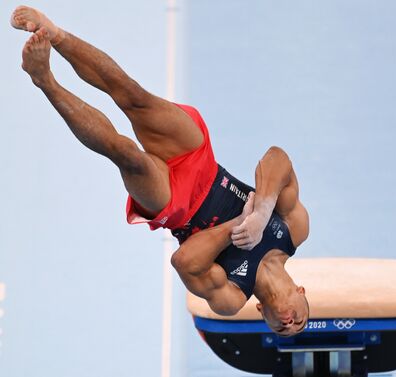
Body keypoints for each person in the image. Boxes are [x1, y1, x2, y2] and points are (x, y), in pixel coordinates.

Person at [11, 6, 310, 336]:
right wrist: (262, 212)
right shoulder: (294, 229)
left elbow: (184, 262)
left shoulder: (233, 297)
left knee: (127, 154)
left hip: (176, 204)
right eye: (300, 319)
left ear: (261, 313)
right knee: (133, 95)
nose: (290, 322)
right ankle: (56, 34)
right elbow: (276, 158)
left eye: (283, 329)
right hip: (202, 165)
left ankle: (45, 80)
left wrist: (240, 225)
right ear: (301, 294)